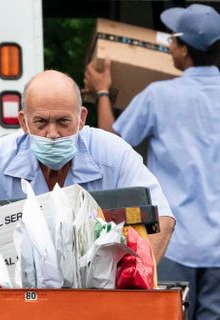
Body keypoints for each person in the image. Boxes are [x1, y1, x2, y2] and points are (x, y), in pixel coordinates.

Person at [0, 69, 175, 263]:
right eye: (41, 122)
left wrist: (134, 278)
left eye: (63, 122)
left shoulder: (113, 154)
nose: (53, 134)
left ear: (82, 118)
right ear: (23, 122)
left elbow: (162, 219)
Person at [83, 4, 220, 320]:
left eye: (173, 40)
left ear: (184, 52)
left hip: (176, 244)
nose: (169, 45)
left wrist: (102, 91)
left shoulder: (159, 96)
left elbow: (111, 142)